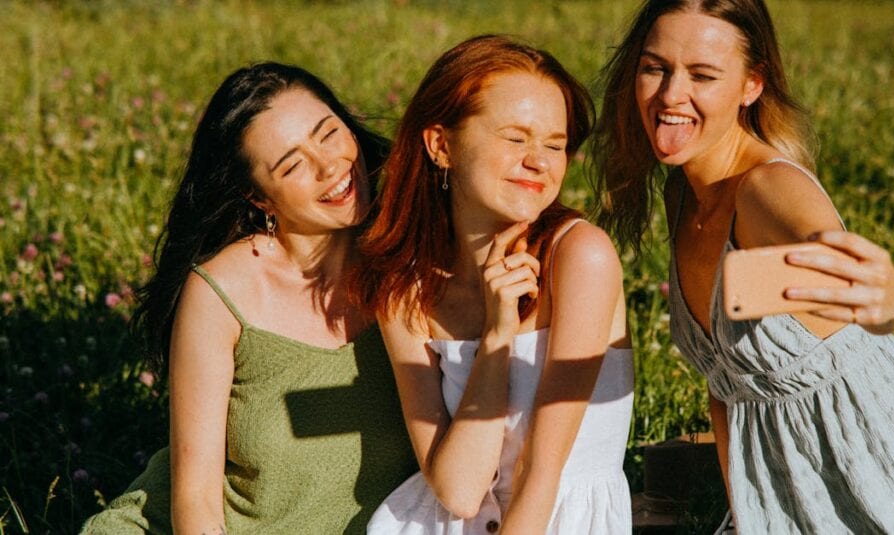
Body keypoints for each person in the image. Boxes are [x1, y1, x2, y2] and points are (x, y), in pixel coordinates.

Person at [592, 0, 894, 533]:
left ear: (752, 85)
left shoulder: (769, 190)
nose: (670, 94)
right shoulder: (684, 191)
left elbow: (851, 272)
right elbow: (726, 388)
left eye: (702, 75)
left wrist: (888, 293)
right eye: (655, 67)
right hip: (784, 497)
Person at [80, 62, 417, 535]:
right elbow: (196, 502)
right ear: (257, 197)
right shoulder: (223, 293)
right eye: (293, 164)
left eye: (328, 133)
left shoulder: (411, 262)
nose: (329, 167)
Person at [355, 35, 634, 534]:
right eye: (516, 137)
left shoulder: (581, 257)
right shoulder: (405, 291)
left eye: (555, 144)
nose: (540, 161)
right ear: (441, 145)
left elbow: (541, 473)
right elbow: (459, 490)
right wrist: (497, 337)